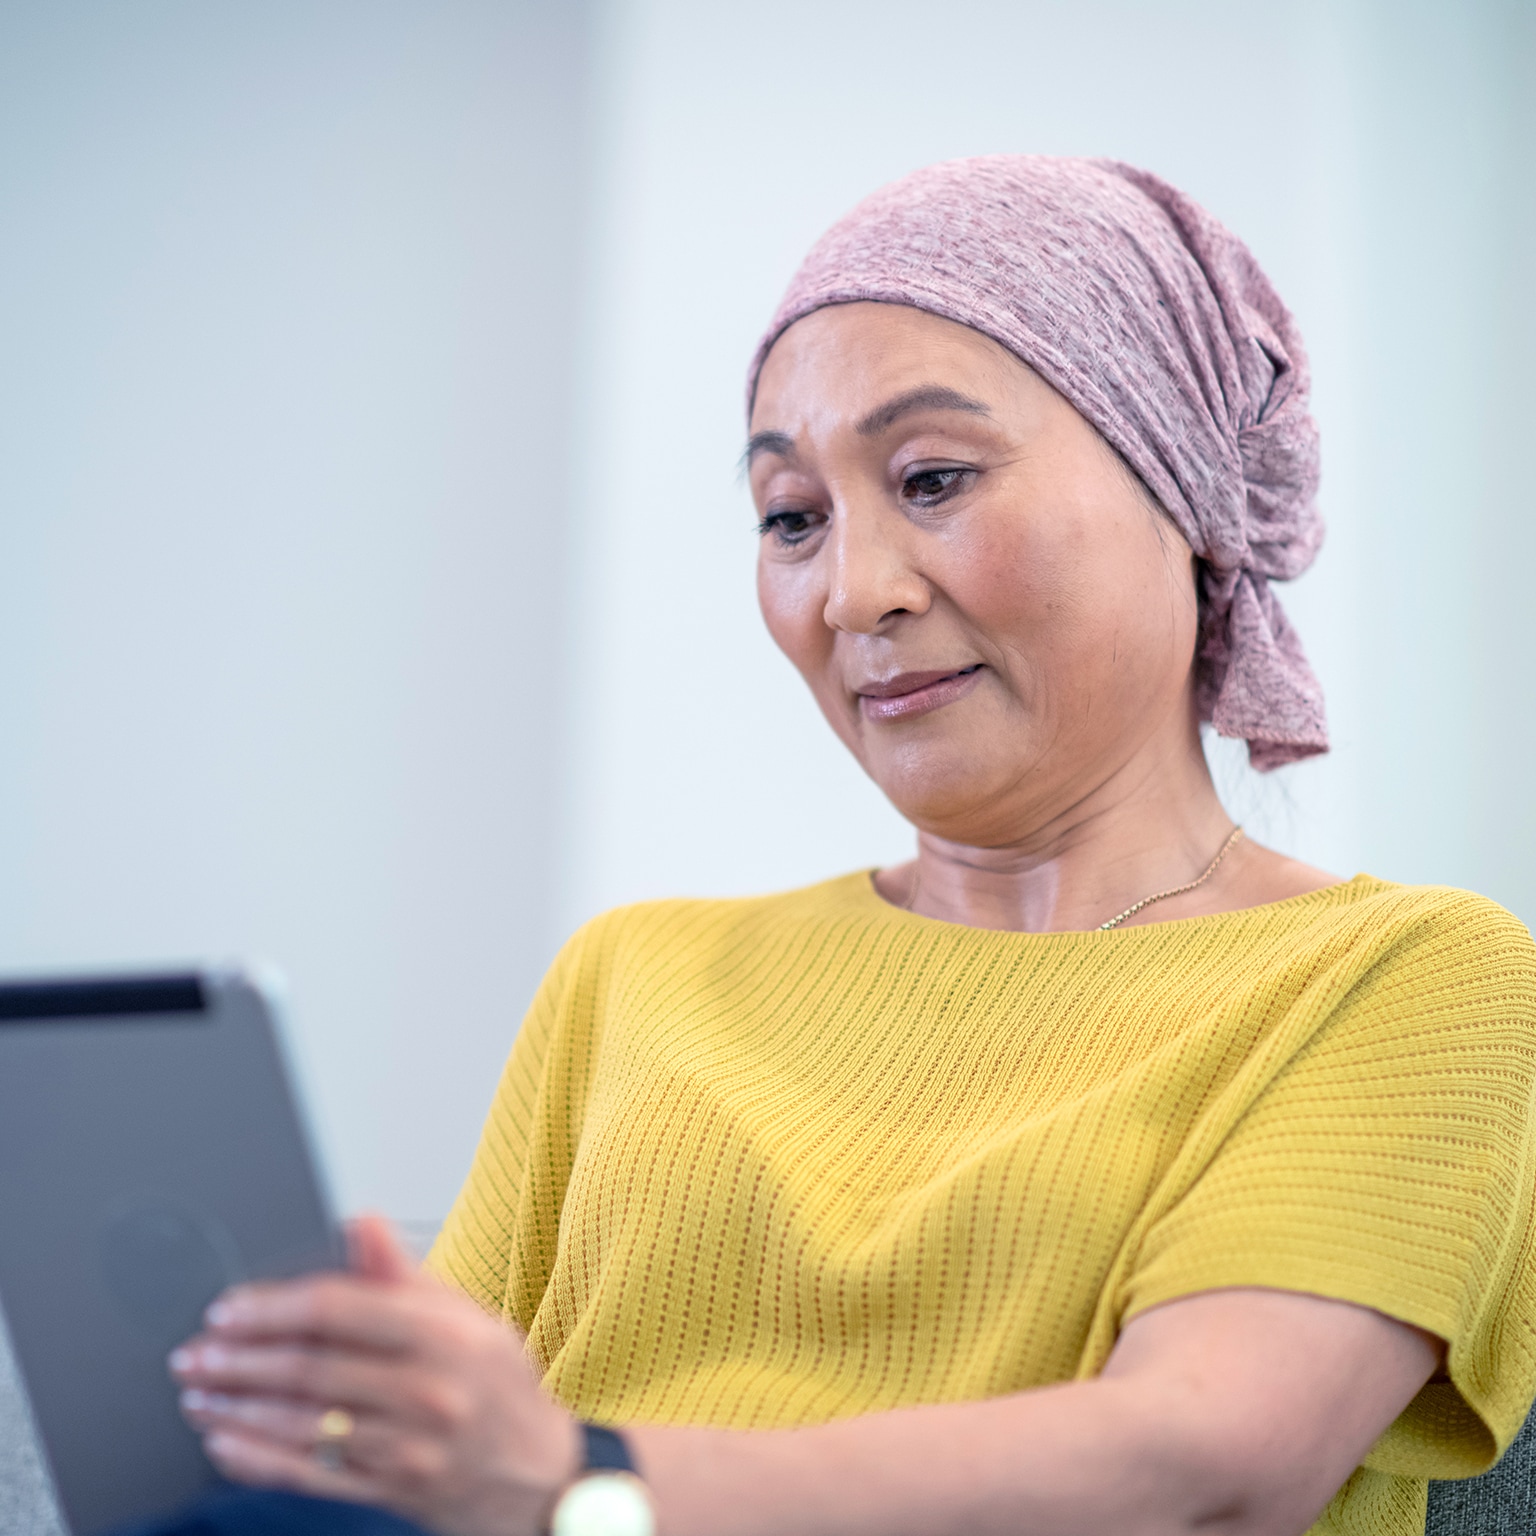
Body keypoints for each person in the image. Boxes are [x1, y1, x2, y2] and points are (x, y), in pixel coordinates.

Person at [164, 156, 1536, 1536]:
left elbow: (1205, 1473)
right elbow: (422, 1475)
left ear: (1179, 487)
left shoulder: (1407, 979)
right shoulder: (636, 976)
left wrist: (588, 1489)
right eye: (792, 519)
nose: (852, 594)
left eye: (933, 478)